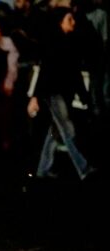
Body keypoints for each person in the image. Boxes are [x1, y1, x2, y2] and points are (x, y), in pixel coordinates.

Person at [27, 7, 98, 180]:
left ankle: (42, 170)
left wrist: (84, 96)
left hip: (61, 93)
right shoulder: (54, 43)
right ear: (60, 22)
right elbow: (45, 72)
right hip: (53, 93)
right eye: (69, 19)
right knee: (67, 129)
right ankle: (83, 168)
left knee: (55, 132)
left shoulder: (69, 42)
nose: (73, 22)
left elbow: (74, 74)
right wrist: (36, 97)